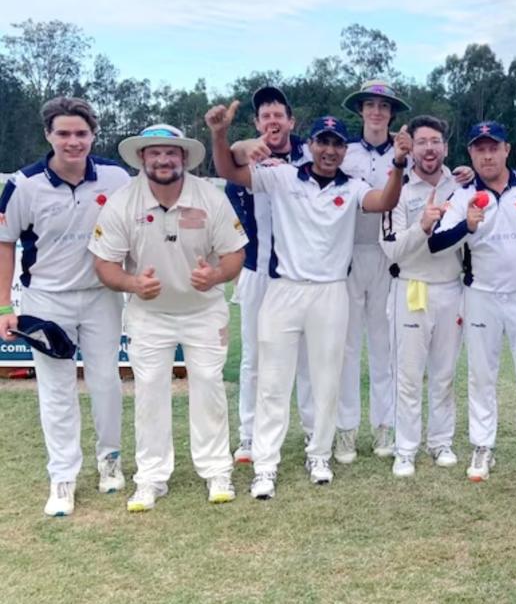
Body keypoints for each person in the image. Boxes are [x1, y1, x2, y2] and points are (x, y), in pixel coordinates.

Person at [207, 101, 404, 499]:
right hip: (285, 290)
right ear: (310, 145)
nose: (330, 150)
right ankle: (265, 464)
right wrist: (219, 134)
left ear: (344, 150)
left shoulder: (352, 187)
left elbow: (385, 203)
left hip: (331, 292)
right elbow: (228, 170)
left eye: (336, 143)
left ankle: (319, 454)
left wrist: (398, 164)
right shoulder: (281, 176)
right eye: (322, 142)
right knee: (273, 381)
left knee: (326, 378)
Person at [89, 124, 247, 512]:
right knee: (149, 392)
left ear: (184, 158)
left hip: (203, 311)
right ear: (142, 158)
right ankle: (151, 478)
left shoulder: (209, 197)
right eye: (155, 153)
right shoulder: (123, 202)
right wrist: (132, 283)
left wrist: (217, 275)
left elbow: (235, 255)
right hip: (149, 315)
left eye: (171, 153)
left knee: (208, 386)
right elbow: (104, 264)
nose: (163, 160)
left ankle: (215, 471)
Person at [0, 97, 128, 517]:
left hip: (100, 296)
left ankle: (110, 460)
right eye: (64, 134)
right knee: (56, 390)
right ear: (48, 135)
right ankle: (63, 476)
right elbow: (4, 244)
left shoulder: (115, 177)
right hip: (45, 301)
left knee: (106, 380)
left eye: (81, 133)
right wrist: (4, 307)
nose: (73, 142)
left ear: (93, 135)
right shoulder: (23, 184)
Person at [429, 120, 516, 483]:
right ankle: (482, 445)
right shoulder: (461, 196)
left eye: (494, 147)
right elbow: (437, 242)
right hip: (480, 297)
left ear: (507, 149)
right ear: (471, 153)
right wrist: (468, 226)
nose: (487, 155)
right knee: (481, 374)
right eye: (479, 148)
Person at [224, 86, 314, 463]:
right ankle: (248, 435)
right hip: (257, 271)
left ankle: (313, 432)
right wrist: (243, 145)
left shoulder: (311, 158)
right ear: (257, 123)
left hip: (302, 274)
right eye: (266, 116)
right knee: (254, 359)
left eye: (279, 114)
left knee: (308, 358)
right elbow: (230, 159)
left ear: (291, 121)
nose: (273, 121)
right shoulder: (245, 161)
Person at [379, 115, 463, 477]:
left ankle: (441, 441)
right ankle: (406, 448)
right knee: (408, 375)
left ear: (445, 147)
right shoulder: (397, 188)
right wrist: (423, 226)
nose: (430, 148)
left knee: (444, 373)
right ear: (410, 146)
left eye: (436, 141)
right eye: (422, 141)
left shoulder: (458, 186)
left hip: (451, 289)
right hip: (411, 288)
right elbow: (391, 248)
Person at [336, 79, 412, 462]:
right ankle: (346, 430)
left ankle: (384, 427)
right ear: (361, 111)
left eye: (383, 106)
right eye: (370, 105)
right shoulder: (343, 151)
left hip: (388, 256)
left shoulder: (406, 155)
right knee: (347, 348)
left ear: (391, 113)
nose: (377, 112)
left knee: (385, 346)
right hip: (347, 255)